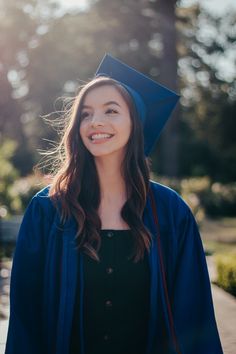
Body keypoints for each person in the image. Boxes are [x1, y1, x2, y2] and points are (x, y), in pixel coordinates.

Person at [5, 54, 223, 354]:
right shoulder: (48, 210)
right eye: (86, 113)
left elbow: (194, 314)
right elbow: (26, 320)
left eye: (111, 110)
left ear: (136, 123)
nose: (96, 122)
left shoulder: (170, 212)